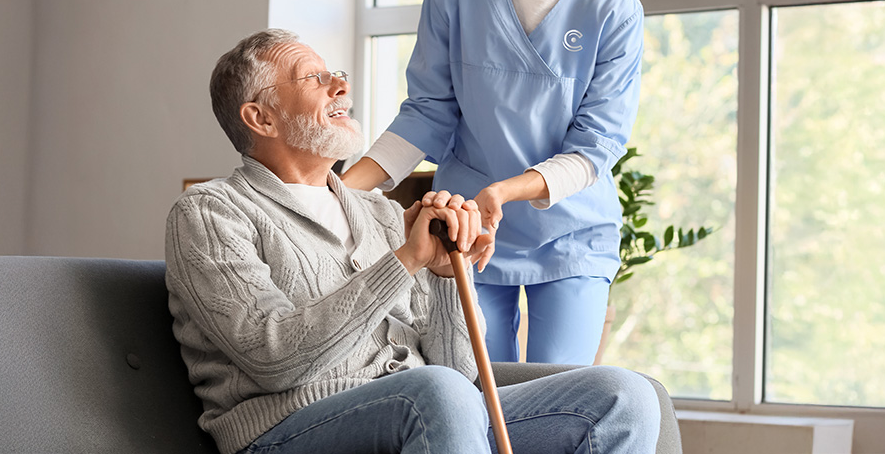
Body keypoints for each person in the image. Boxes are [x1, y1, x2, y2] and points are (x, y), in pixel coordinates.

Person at [165, 28, 660, 454]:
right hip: (285, 428)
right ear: (262, 118)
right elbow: (272, 359)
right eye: (315, 78)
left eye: (334, 72)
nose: (342, 84)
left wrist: (447, 274)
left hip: (423, 404)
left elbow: (458, 372)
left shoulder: (379, 213)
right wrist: (403, 262)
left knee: (623, 395)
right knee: (435, 393)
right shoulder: (211, 212)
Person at [342, 0, 644, 365]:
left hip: (569, 232)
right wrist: (337, 192)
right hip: (466, 228)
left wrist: (504, 192)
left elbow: (596, 146)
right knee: (482, 393)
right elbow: (428, 112)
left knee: (559, 396)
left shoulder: (613, 10)